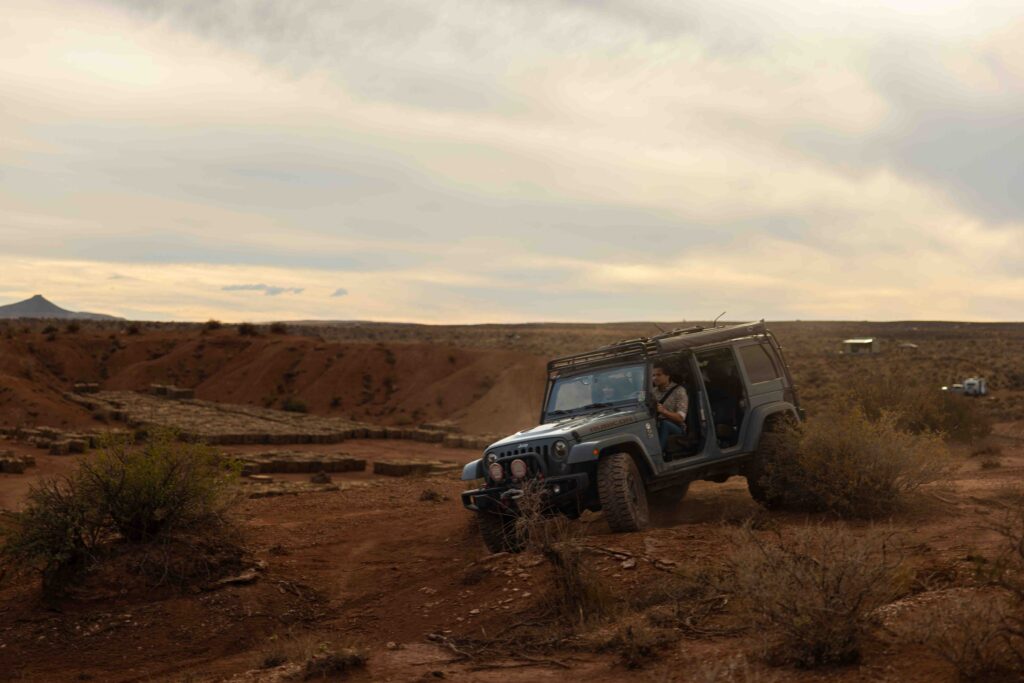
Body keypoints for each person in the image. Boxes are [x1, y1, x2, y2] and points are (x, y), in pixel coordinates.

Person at [651, 362, 688, 452]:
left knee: (665, 424)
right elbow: (641, 402)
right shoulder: (652, 391)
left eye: (659, 375)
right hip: (655, 424)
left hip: (676, 427)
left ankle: (658, 454)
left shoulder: (679, 391)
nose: (655, 378)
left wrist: (664, 411)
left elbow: (681, 418)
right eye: (653, 375)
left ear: (668, 376)